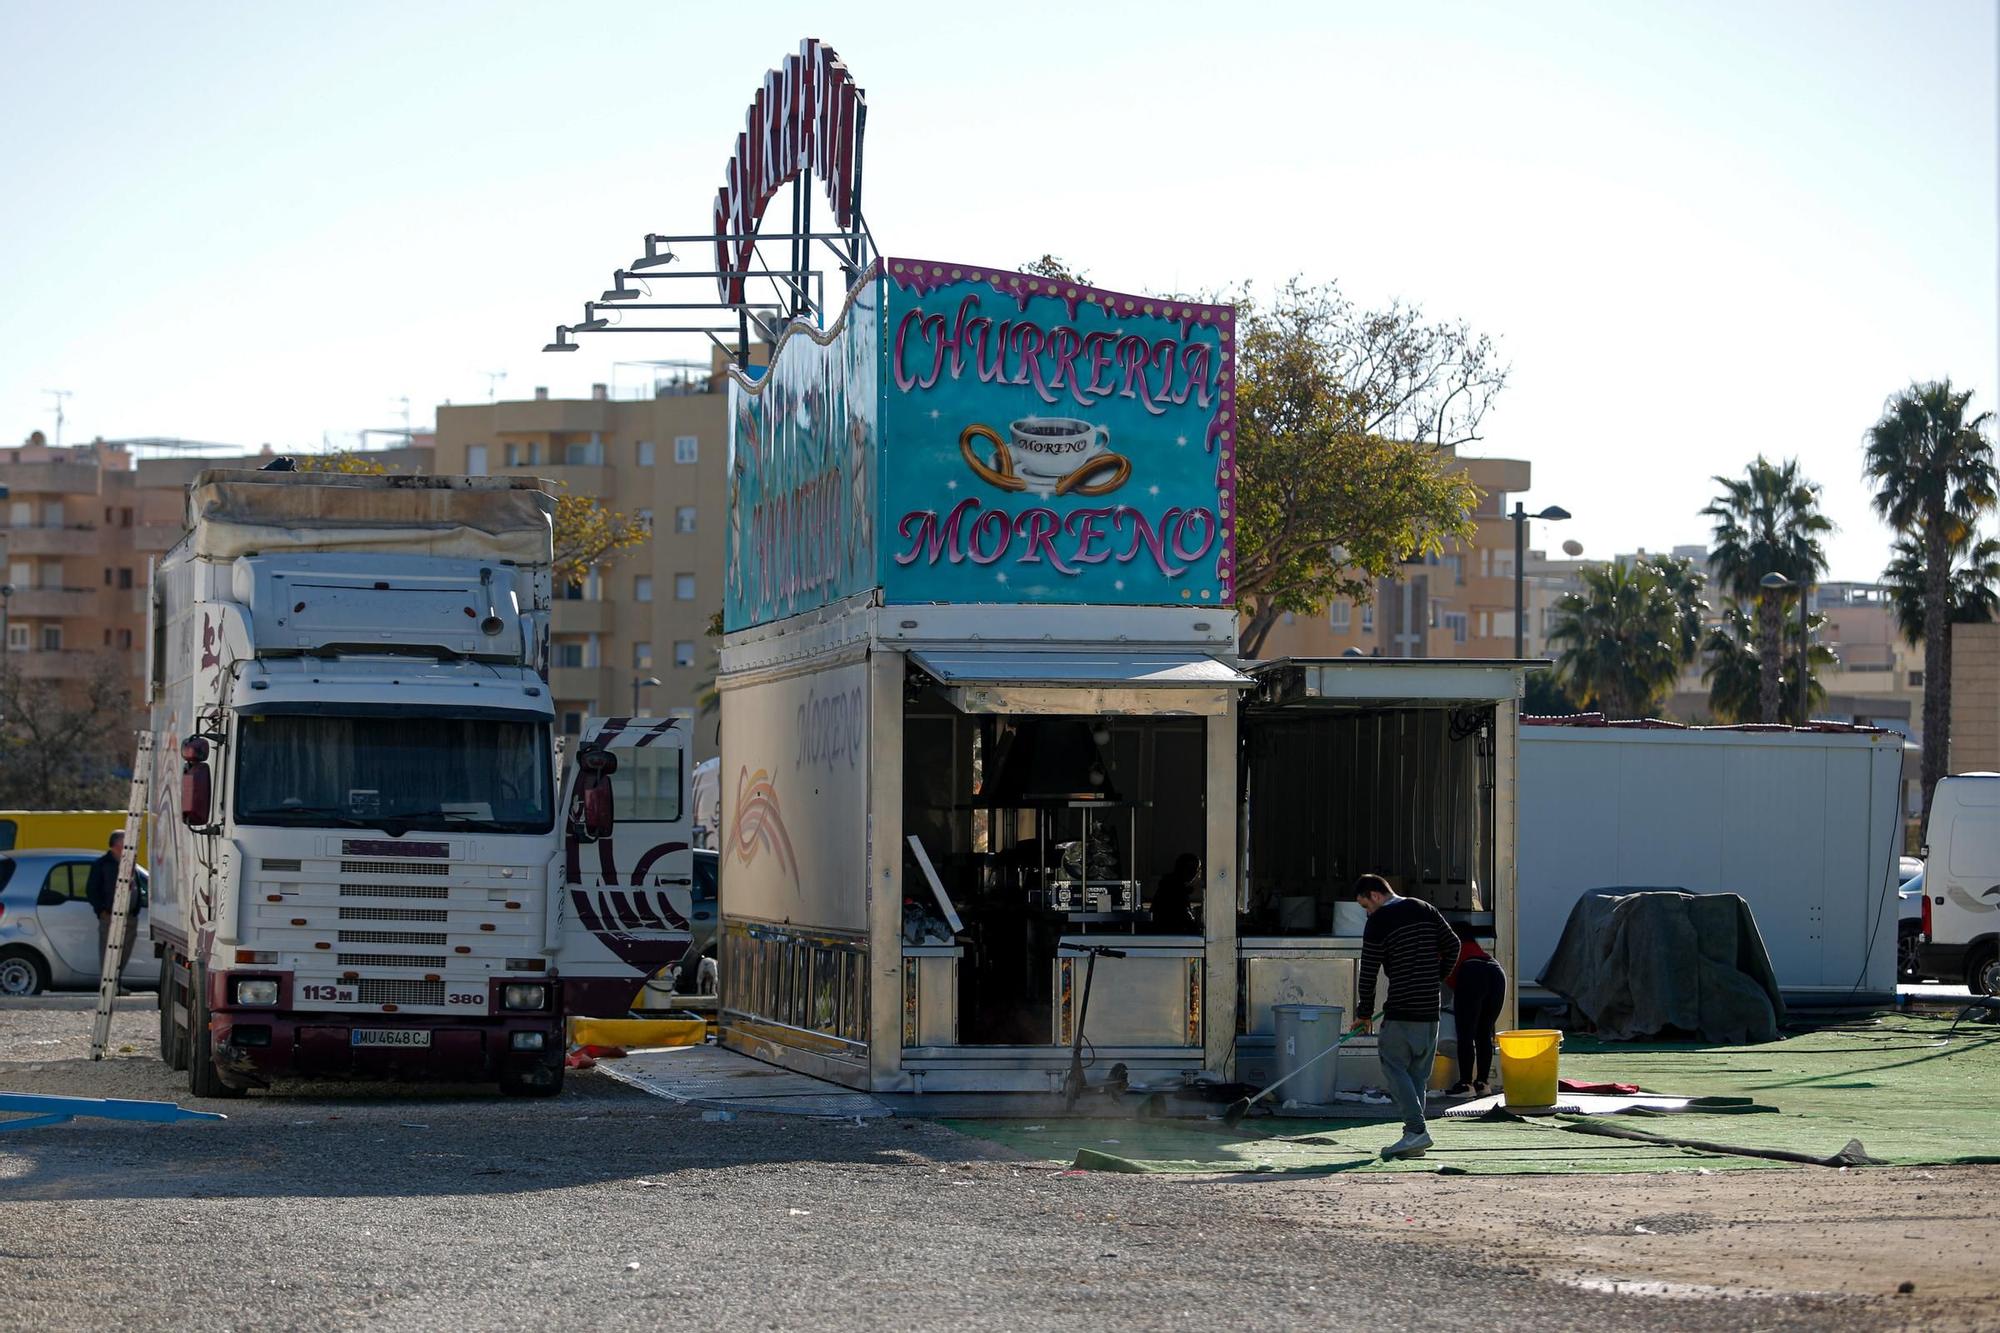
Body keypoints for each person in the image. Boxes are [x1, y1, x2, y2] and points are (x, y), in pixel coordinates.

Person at [1349, 874, 1457, 1160]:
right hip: (1430, 1009)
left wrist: (1364, 1013)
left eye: (1365, 906)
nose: (1367, 913)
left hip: (1402, 1008)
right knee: (1417, 1075)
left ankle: (1416, 1130)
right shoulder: (1424, 908)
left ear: (1374, 895)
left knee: (1394, 1067)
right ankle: (1415, 1141)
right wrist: (1435, 979)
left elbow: (1369, 971)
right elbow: (1453, 945)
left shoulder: (1378, 922)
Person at [1444, 922, 1507, 1097]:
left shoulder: (1448, 944)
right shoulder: (1474, 947)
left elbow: (1444, 975)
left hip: (1472, 972)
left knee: (1465, 1033)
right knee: (1484, 1032)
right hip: (1496, 972)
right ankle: (1483, 1083)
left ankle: (1465, 1084)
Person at [86, 831, 140, 990]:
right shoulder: (102, 864)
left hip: (129, 918)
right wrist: (101, 911)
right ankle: (107, 986)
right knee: (108, 952)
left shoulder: (130, 863)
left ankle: (116, 982)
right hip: (110, 917)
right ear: (117, 845)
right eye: (126, 844)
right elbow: (92, 890)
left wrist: (136, 908)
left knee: (125, 952)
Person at [1150, 853, 1201, 931]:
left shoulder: (1170, 886)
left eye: (1195, 869)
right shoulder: (1175, 889)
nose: (1193, 873)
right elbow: (1184, 917)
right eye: (1190, 868)